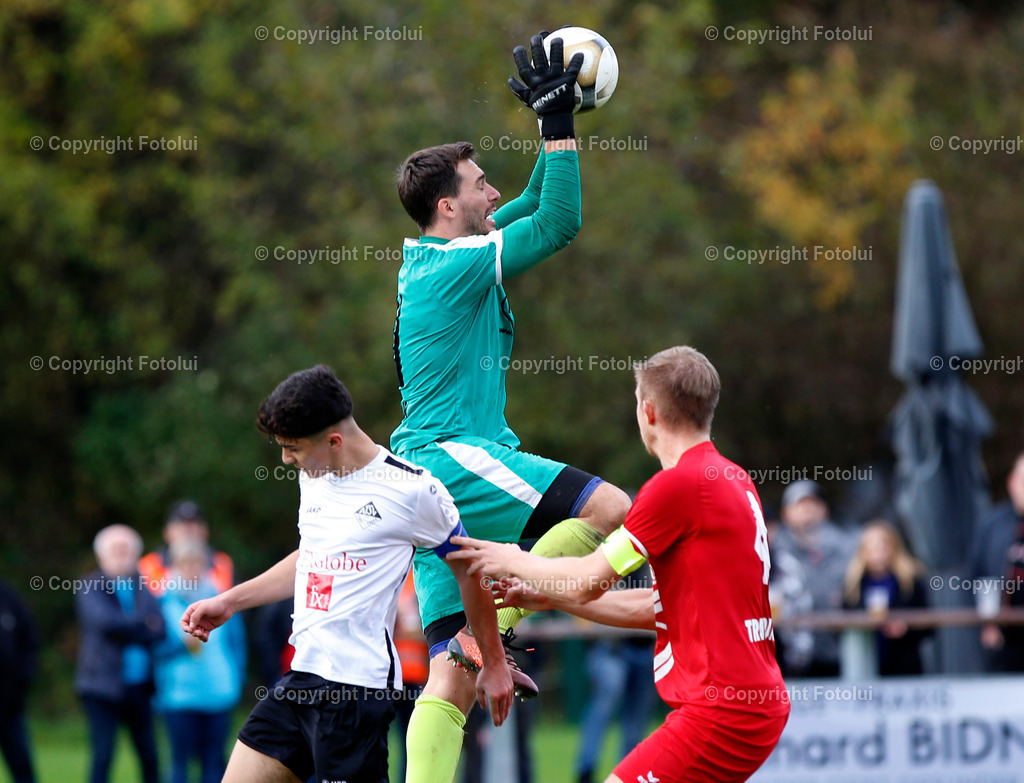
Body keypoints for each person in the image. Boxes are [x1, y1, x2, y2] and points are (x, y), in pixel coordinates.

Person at [392, 34, 632, 782]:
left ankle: (480, 631)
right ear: (447, 205)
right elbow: (559, 222)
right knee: (611, 509)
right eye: (481, 182)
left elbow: (532, 205)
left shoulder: (442, 256)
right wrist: (560, 130)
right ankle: (508, 607)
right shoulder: (458, 262)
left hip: (431, 464)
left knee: (451, 679)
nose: (493, 191)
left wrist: (552, 126)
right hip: (457, 454)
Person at [448, 346, 791, 783]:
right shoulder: (733, 479)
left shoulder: (676, 487)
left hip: (720, 712)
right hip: (754, 706)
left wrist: (514, 559)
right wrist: (552, 598)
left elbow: (588, 579)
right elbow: (659, 608)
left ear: (647, 411)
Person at [180, 365, 513, 783]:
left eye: (292, 448)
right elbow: (311, 558)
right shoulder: (313, 477)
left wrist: (494, 662)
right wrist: (230, 600)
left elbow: (471, 573)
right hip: (300, 679)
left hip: (355, 695)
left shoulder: (413, 492)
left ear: (334, 441)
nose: (285, 458)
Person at [75, 524, 166, 783]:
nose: (122, 555)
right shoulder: (90, 586)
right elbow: (106, 624)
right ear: (102, 555)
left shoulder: (142, 585)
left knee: (150, 755)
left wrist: (136, 627)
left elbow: (160, 629)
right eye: (116, 550)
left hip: (140, 686)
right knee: (103, 755)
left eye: (126, 550)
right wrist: (142, 625)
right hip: (101, 687)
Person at [155, 538, 247, 783]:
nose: (191, 568)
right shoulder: (161, 603)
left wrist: (237, 677)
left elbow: (237, 643)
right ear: (174, 566)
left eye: (197, 563)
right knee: (179, 764)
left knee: (215, 762)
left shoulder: (223, 600)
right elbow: (152, 649)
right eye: (185, 563)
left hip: (218, 692)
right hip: (178, 696)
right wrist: (180, 647)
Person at [574, 564, 658, 783]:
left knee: (636, 721)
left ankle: (628, 775)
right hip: (611, 648)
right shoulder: (615, 550)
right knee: (604, 703)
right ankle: (586, 770)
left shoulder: (657, 556)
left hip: (646, 647)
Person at [769, 479, 856, 677]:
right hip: (786, 655)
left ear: (824, 509)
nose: (808, 509)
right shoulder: (772, 552)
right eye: (800, 504)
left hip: (838, 652)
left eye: (813, 503)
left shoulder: (846, 548)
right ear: (786, 513)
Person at [842, 520, 931, 675]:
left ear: (894, 547)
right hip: (864, 665)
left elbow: (929, 624)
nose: (877, 551)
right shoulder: (853, 584)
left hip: (903, 665)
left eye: (882, 545)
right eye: (871, 546)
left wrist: (906, 628)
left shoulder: (910, 581)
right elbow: (843, 620)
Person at [970, 450, 1024, 672]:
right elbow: (978, 575)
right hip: (1005, 636)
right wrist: (987, 623)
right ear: (1012, 483)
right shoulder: (992, 525)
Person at [139, 500, 233, 597]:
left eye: (195, 525)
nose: (188, 531)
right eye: (181, 526)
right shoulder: (149, 564)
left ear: (206, 531)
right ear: (166, 532)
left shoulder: (221, 563)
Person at [0, 580, 38, 783]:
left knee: (22, 768)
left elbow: (30, 640)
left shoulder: (9, 598)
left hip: (10, 703)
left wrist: (23, 678)